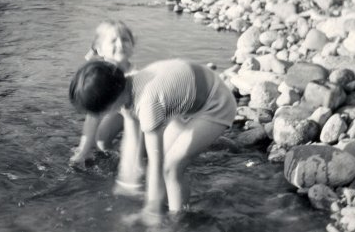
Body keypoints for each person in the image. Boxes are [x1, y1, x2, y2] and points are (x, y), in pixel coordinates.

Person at [68, 58, 236, 223]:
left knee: (170, 168)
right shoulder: (125, 87)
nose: (100, 116)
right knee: (161, 167)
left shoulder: (147, 104)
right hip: (189, 102)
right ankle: (170, 206)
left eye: (100, 112)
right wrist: (127, 180)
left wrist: (151, 210)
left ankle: (177, 221)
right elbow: (131, 141)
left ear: (111, 103)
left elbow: (156, 163)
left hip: (215, 105)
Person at [69, 20, 135, 167]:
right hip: (117, 109)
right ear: (99, 50)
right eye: (113, 41)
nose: (120, 44)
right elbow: (93, 116)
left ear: (133, 45)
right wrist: (84, 149)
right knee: (101, 141)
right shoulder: (99, 76)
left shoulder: (135, 76)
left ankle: (129, 157)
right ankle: (108, 157)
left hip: (135, 112)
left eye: (125, 39)